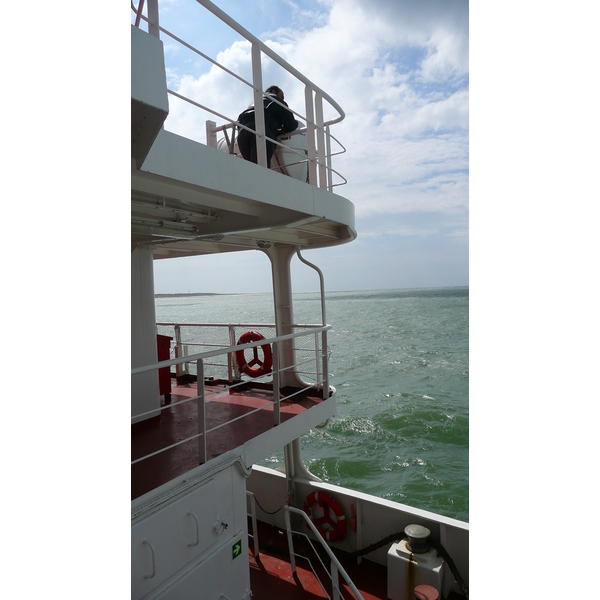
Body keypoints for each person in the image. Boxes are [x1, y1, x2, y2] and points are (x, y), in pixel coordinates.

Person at [237, 85, 299, 167]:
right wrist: (282, 131)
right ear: (273, 91)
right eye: (282, 96)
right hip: (261, 131)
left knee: (251, 169)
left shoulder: (254, 102)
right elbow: (291, 124)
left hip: (242, 133)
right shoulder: (274, 99)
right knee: (260, 171)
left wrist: (275, 132)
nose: (282, 99)